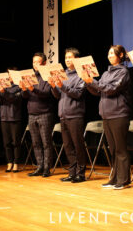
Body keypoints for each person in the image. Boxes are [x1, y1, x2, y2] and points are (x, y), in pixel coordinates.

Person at [82, 45, 131, 189]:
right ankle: (115, 178)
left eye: (112, 53)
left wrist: (93, 81)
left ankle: (123, 180)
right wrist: (88, 82)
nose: (109, 55)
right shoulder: (105, 73)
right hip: (107, 114)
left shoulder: (123, 72)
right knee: (113, 148)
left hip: (119, 113)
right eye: (108, 53)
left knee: (120, 149)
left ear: (120, 55)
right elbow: (99, 91)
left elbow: (111, 89)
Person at [48, 48, 87, 183]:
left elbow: (78, 94)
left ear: (76, 59)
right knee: (68, 146)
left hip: (75, 114)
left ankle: (81, 173)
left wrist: (62, 86)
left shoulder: (81, 74)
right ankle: (72, 172)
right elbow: (58, 95)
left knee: (78, 145)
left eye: (70, 57)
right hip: (63, 115)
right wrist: (54, 86)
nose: (67, 60)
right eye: (66, 58)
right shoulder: (62, 74)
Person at [19, 52, 55, 177]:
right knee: (36, 143)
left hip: (45, 113)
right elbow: (25, 96)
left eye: (37, 62)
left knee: (46, 142)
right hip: (31, 113)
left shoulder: (47, 76)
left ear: (44, 63)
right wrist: (24, 89)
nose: (35, 65)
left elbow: (46, 93)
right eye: (33, 62)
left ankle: (47, 168)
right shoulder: (30, 76)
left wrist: (32, 88)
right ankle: (39, 166)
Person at [0, 69, 23, 173]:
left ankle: (16, 163)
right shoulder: (4, 86)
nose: (9, 77)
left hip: (15, 117)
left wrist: (3, 92)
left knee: (15, 142)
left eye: (10, 75)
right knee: (7, 142)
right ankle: (9, 162)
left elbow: (13, 99)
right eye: (7, 75)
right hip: (4, 117)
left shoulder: (19, 86)